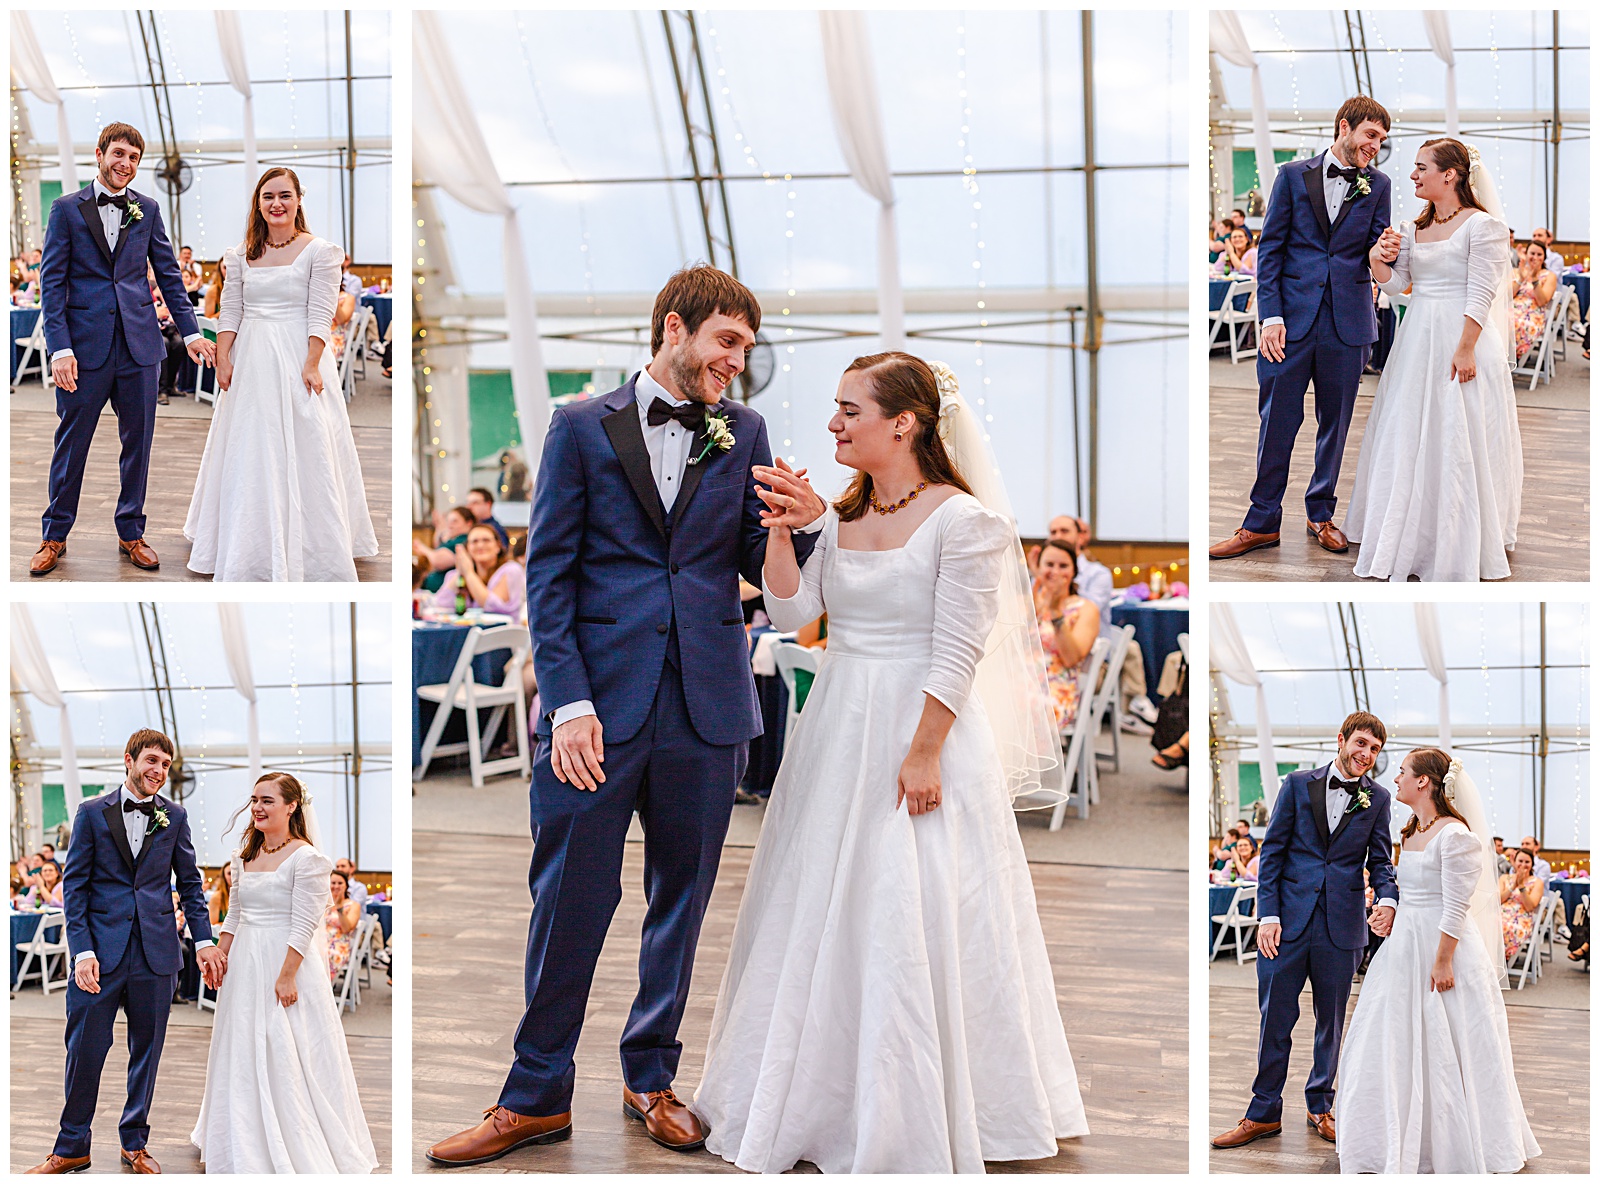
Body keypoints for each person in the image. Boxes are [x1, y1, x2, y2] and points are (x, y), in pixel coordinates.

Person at [425, 264, 827, 1167]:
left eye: (747, 352)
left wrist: (797, 525)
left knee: (680, 905)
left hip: (706, 705)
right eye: (726, 343)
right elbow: (548, 580)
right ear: (675, 328)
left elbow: (753, 571)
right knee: (571, 899)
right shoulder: (577, 428)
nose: (737, 365)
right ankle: (534, 1095)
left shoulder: (747, 428)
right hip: (594, 713)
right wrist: (567, 704)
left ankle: (651, 1076)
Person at [694, 353, 1086, 1171]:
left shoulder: (965, 522)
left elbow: (958, 649)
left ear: (902, 423)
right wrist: (782, 532)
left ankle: (921, 1107)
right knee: (818, 902)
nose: (833, 424)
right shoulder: (840, 514)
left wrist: (923, 754)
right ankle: (814, 1096)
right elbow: (797, 611)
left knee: (911, 905)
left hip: (921, 731)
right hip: (838, 724)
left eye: (849, 410)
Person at [28, 729, 222, 1174]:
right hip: (97, 956)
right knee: (84, 1051)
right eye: (151, 761)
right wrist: (81, 952)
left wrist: (205, 940)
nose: (158, 772)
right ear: (129, 760)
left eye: (165, 766)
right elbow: (73, 887)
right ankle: (72, 1145)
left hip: (156, 956)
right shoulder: (92, 813)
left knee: (147, 1053)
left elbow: (190, 886)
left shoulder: (175, 816)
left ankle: (134, 1142)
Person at [1337, 749, 1541, 1172]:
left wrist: (1444, 960)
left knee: (1450, 1042)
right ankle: (1396, 1136)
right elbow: (1407, 889)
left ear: (1424, 782)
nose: (1395, 779)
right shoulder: (1412, 830)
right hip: (1403, 946)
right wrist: (1390, 911)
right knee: (1395, 1037)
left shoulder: (1456, 836)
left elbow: (1455, 906)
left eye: (1403, 773)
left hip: (1442, 950)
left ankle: (1457, 1143)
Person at [1211, 97, 1392, 563]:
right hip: (1288, 324)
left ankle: (1320, 515)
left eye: (1382, 141)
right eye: (1370, 136)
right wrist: (1270, 315)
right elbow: (1270, 250)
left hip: (1348, 323)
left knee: (1335, 425)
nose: (1375, 147)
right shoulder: (1292, 176)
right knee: (1277, 423)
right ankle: (1260, 523)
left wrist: (1386, 251)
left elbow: (1374, 251)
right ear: (1344, 126)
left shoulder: (1380, 185)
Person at [31, 122, 216, 577]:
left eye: (133, 158)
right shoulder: (65, 210)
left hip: (140, 348)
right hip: (83, 351)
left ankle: (131, 530)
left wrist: (192, 333)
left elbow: (169, 276)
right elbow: (51, 285)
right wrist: (60, 349)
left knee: (139, 444)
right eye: (118, 154)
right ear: (99, 154)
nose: (125, 164)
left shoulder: (147, 209)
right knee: (71, 444)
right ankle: (55, 534)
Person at [183, 166, 379, 581]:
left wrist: (311, 362)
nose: (276, 204)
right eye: (268, 196)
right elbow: (231, 309)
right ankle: (246, 539)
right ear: (258, 203)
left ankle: (313, 543)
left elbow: (322, 311)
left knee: (309, 441)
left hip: (298, 353)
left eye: (284, 196)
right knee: (250, 444)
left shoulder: (321, 251)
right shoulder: (239, 255)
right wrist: (223, 355)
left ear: (298, 200)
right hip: (252, 355)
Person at [1213, 712, 1396, 1151]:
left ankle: (1321, 1106)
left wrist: (1388, 900)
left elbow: (1382, 862)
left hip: (1342, 927)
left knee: (1330, 1025)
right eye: (1361, 744)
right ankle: (1262, 1113)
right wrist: (1268, 915)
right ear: (1341, 739)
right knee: (1274, 1019)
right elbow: (1272, 852)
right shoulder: (1296, 784)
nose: (1366, 755)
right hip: (1286, 926)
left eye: (1374, 749)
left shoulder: (1380, 798)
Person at [1342, 137, 1521, 582]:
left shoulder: (1483, 226)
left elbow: (1482, 290)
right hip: (1417, 337)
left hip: (1462, 338)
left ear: (1451, 175)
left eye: (1421, 167)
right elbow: (1398, 285)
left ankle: (1459, 529)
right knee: (1406, 430)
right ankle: (1410, 525)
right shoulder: (1411, 228)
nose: (1413, 175)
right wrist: (1376, 259)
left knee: (1458, 433)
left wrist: (1464, 349)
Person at [191, 771, 378, 1171]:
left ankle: (292, 1132)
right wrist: (220, 956)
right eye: (254, 800)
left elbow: (305, 921)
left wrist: (287, 974)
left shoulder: (308, 859)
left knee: (286, 1045)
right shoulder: (244, 857)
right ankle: (239, 1130)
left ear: (291, 806)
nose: (256, 807)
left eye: (267, 800)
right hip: (244, 962)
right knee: (240, 1043)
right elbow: (235, 914)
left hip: (285, 960)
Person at [1032, 540, 1100, 729]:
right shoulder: (1027, 602)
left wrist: (1056, 614)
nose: (1055, 572)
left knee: (1022, 709)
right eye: (1049, 565)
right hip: (1020, 679)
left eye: (1063, 566)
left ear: (1074, 571)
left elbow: (1071, 658)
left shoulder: (1085, 609)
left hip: (1055, 688)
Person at [432, 522, 526, 616]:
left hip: (501, 630)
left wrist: (469, 573)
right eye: (474, 541)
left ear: (498, 546)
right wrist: (461, 572)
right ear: (468, 548)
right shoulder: (455, 575)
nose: (480, 545)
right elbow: (441, 603)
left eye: (486, 540)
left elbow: (492, 607)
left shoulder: (511, 570)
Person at [1510, 241, 1559, 361]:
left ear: (1544, 257)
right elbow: (1508, 295)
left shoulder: (1549, 276)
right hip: (1511, 310)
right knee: (1494, 320)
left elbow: (1543, 301)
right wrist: (1521, 278)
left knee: (1509, 323)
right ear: (1526, 254)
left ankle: (1506, 361)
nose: (1535, 257)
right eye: (1532, 253)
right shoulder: (1517, 271)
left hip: (1532, 315)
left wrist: (1535, 278)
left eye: (1539, 254)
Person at [414, 505, 476, 593]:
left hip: (442, 593)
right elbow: (438, 545)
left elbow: (438, 561)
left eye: (455, 521)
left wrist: (421, 547)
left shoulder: (463, 541)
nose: (450, 525)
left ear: (469, 523)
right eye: (449, 521)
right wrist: (439, 527)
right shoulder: (453, 540)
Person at [1499, 848, 1545, 963]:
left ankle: (1498, 962)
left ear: (1532, 864)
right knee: (1485, 924)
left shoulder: (1537, 882)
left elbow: (1530, 906)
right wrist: (1513, 886)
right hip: (1500, 913)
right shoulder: (1504, 878)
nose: (1523, 865)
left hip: (1521, 919)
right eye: (1520, 861)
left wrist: (1521, 887)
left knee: (1502, 927)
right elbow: (1498, 900)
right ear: (1514, 862)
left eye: (1527, 862)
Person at [324, 868, 361, 983]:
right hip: (321, 941)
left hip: (339, 946)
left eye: (340, 883)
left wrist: (339, 908)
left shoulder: (353, 905)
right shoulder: (323, 903)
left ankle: (322, 991)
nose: (336, 886)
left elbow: (346, 928)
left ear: (346, 886)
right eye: (333, 883)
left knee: (323, 956)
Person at [202, 254, 226, 319]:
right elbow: (208, 319)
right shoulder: (213, 290)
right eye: (225, 267)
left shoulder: (240, 288)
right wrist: (227, 310)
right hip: (216, 328)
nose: (228, 271)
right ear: (220, 270)